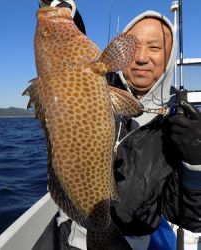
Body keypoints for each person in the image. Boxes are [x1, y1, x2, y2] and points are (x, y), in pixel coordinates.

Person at [34, 1, 201, 249]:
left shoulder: (181, 124)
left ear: (169, 55)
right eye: (133, 47)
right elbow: (69, 33)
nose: (142, 58)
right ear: (121, 52)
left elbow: (189, 218)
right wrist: (58, 6)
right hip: (71, 231)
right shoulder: (101, 80)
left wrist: (195, 166)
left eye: (154, 47)